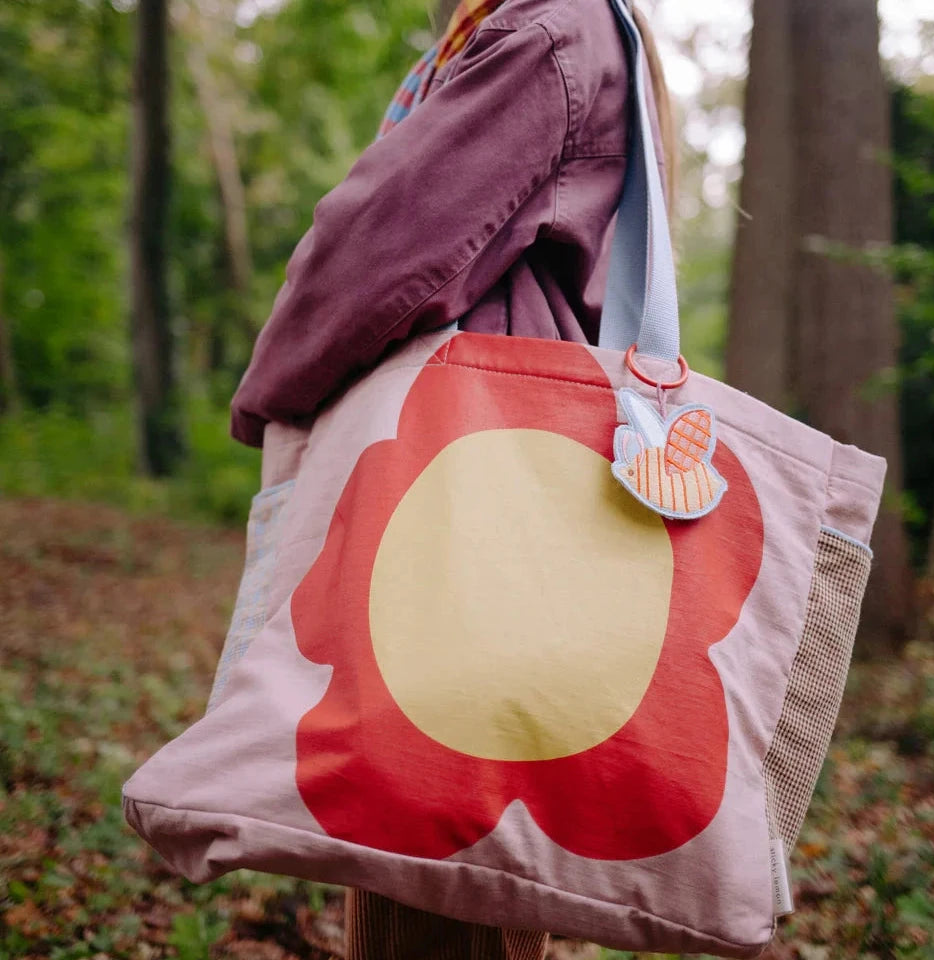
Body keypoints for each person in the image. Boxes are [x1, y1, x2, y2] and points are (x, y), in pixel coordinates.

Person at [230, 0, 674, 956]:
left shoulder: (543, 29)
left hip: (465, 472)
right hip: (508, 471)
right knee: (459, 834)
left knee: (428, 837)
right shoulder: (562, 29)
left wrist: (268, 391)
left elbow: (376, 249)